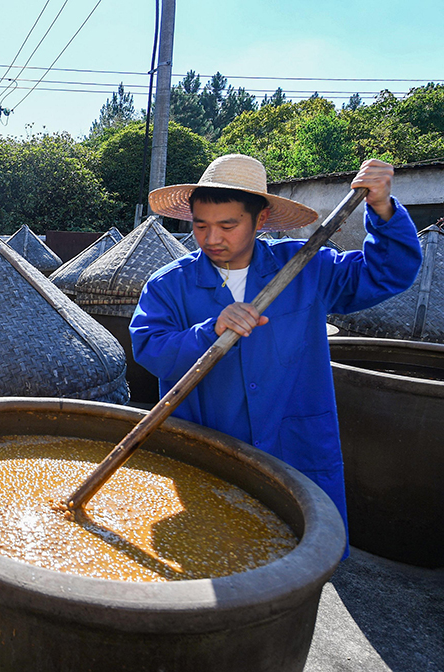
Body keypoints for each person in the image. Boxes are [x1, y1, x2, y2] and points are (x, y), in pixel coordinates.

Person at [129, 154, 421, 543]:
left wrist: (382, 209)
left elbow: (389, 273)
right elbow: (151, 348)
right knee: (214, 548)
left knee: (296, 547)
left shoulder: (306, 267)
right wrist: (210, 331)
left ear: (260, 219)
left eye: (227, 226)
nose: (212, 239)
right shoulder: (168, 285)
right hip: (210, 443)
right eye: (200, 226)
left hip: (292, 444)